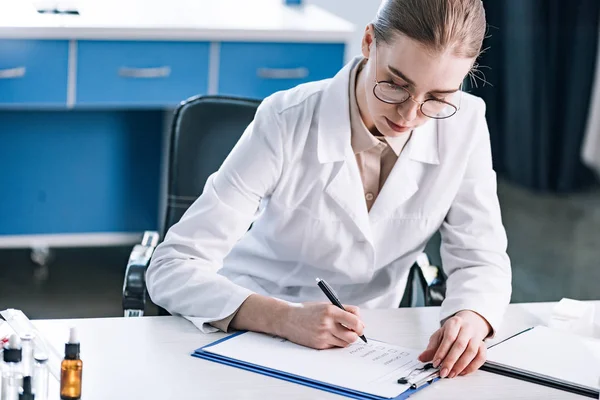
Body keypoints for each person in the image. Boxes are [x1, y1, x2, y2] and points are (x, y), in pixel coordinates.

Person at [146, 0, 512, 380]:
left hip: (372, 349)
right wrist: (282, 317)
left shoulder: (465, 124)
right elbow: (171, 267)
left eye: (437, 98)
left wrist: (472, 317)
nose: (409, 115)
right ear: (369, 42)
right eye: (396, 85)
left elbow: (480, 256)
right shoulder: (287, 118)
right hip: (253, 329)